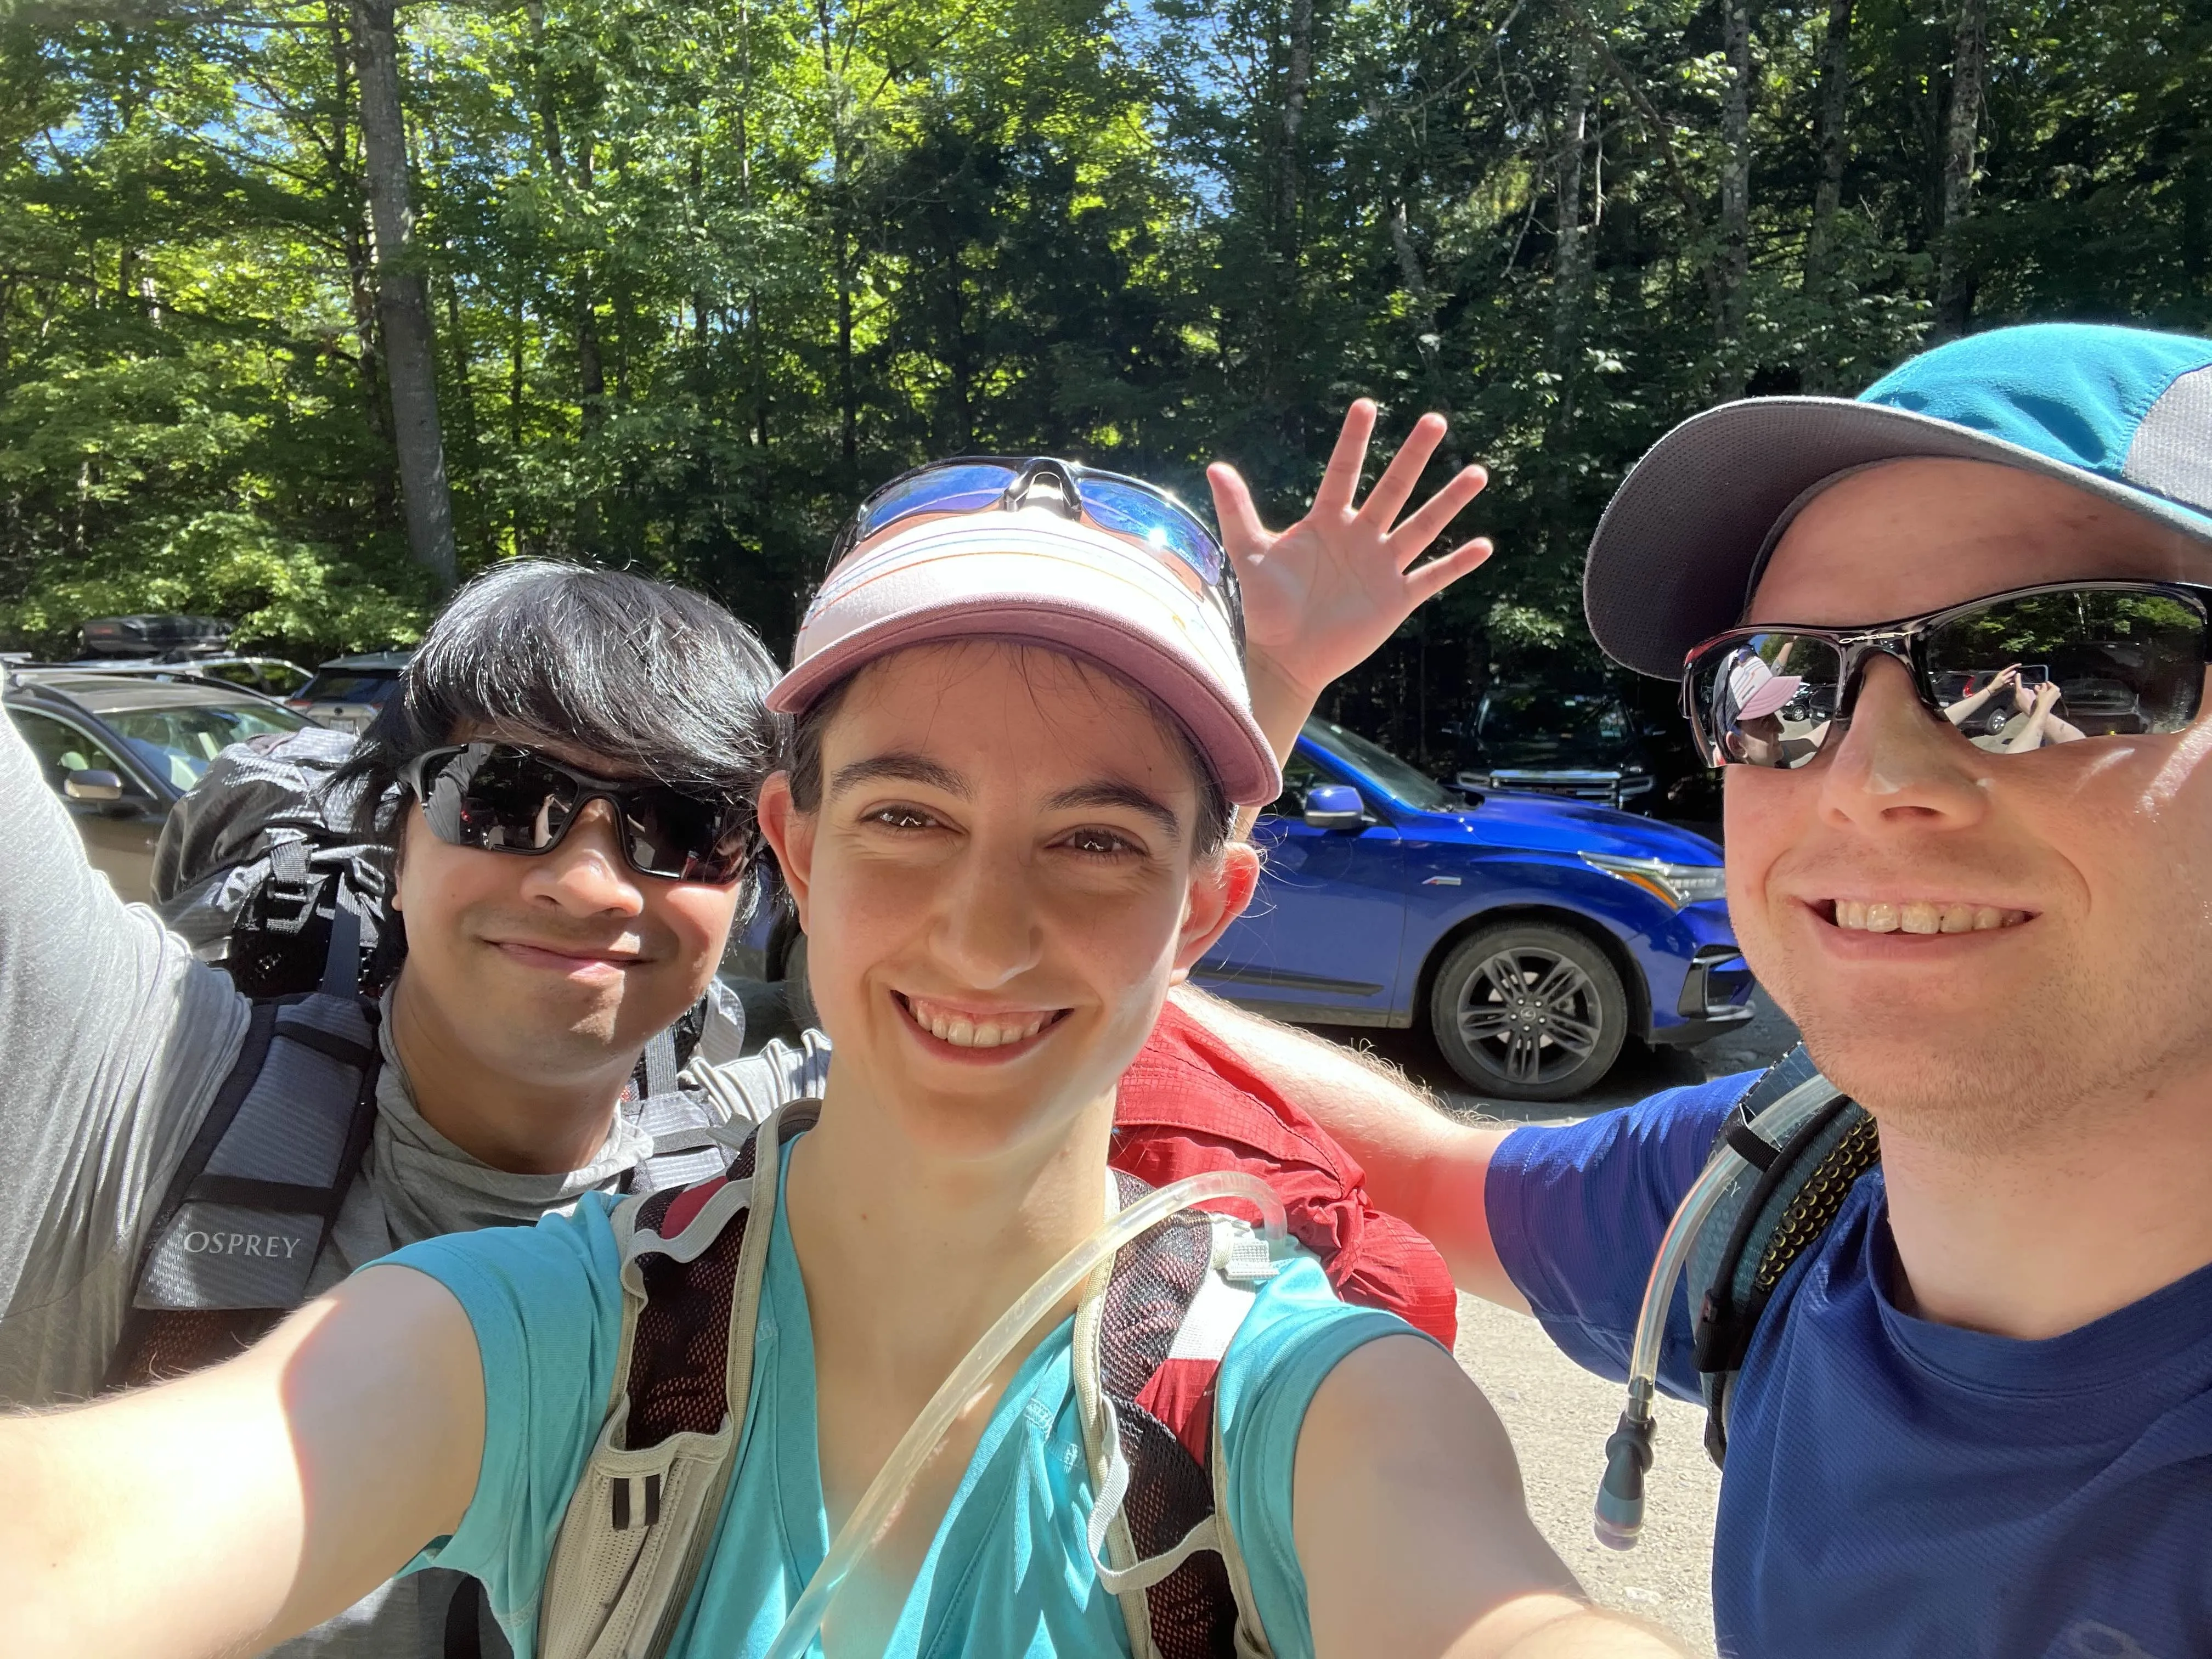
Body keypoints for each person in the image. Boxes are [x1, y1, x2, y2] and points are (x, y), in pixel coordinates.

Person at [0, 449, 1685, 1659]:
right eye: (905, 817)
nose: (982, 933)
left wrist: (1275, 680)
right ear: (801, 852)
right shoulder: (560, 1322)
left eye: (1095, 844)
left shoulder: (1292, 1399)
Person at [1276, 321, 2212, 1657]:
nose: (1866, 780)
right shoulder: (1780, 1187)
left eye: (2058, 669)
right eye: (1780, 689)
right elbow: (1420, 1176)